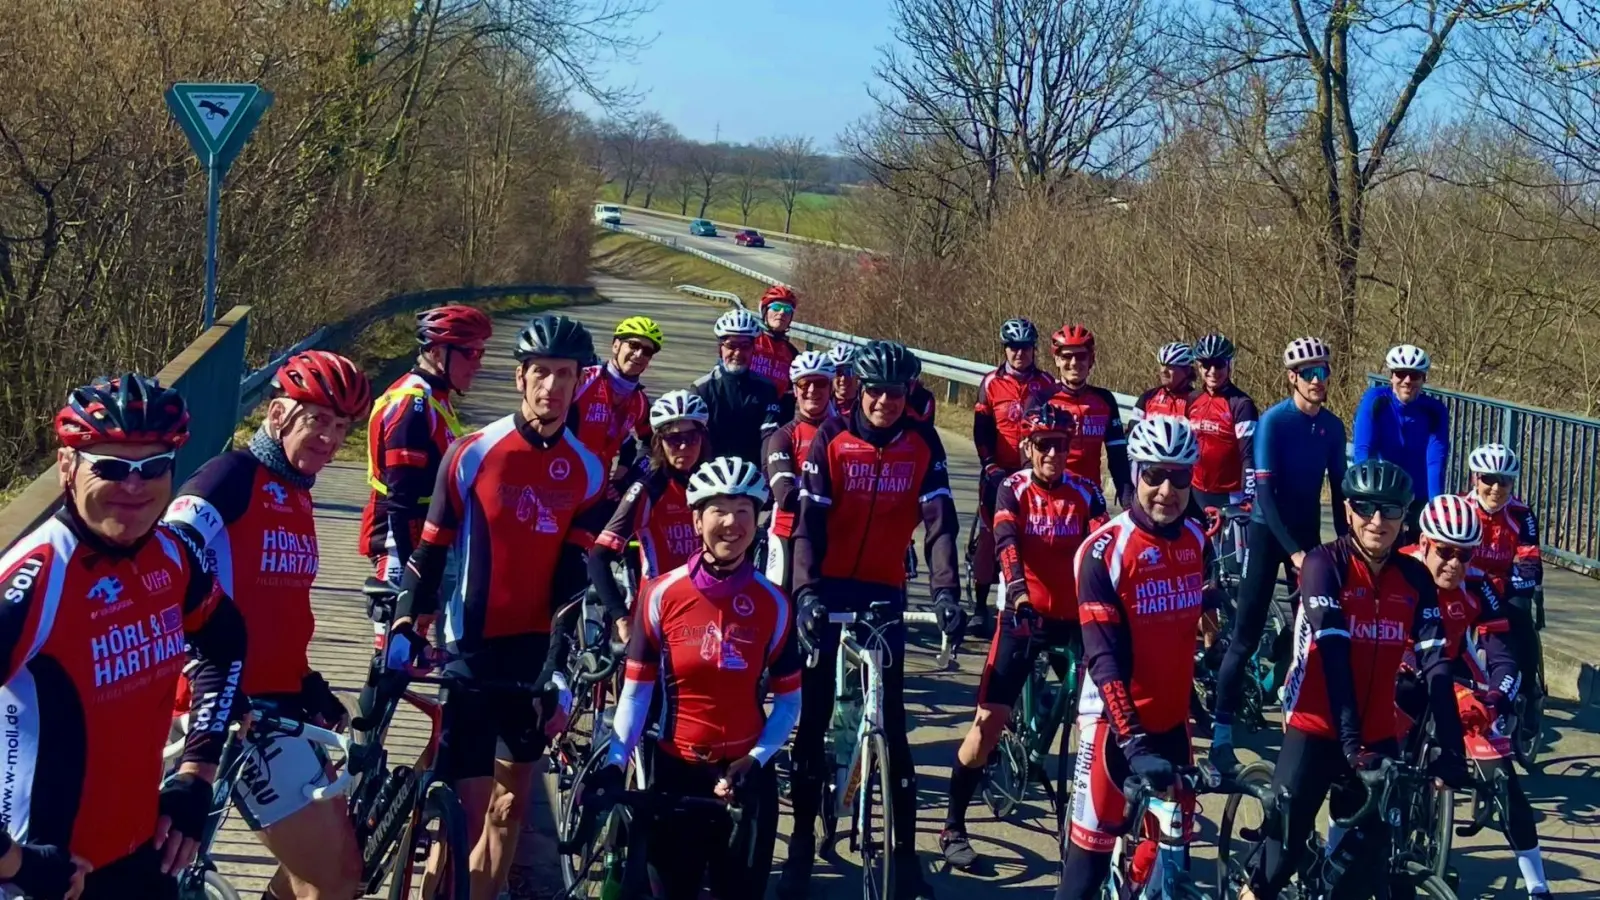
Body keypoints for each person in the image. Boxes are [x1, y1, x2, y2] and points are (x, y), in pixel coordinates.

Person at [387, 314, 609, 900]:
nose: (552, 386)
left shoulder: (589, 471)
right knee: (464, 808)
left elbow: (572, 577)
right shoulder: (472, 453)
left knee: (509, 807)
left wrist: (561, 666)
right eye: (542, 372)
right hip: (471, 646)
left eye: (566, 374)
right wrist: (408, 619)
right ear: (520, 377)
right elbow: (430, 552)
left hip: (534, 653)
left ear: (579, 382)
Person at [0, 374, 246, 899]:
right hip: (47, 878)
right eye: (110, 468)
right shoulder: (37, 576)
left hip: (140, 858)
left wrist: (197, 772)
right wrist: (14, 863)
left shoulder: (173, 555)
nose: (134, 487)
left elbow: (225, 643)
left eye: (153, 467)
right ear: (67, 466)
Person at [165, 351, 372, 899]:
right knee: (334, 878)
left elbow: (277, 608)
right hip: (227, 706)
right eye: (318, 420)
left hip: (277, 701)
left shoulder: (297, 492)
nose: (330, 439)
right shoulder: (230, 477)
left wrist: (306, 683)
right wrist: (208, 677)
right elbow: (162, 570)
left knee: (339, 866)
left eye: (342, 427)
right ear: (278, 414)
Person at [782, 340, 964, 900]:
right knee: (813, 717)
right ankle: (798, 849)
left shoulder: (922, 441)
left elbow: (940, 524)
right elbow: (807, 526)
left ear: (909, 394)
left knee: (894, 722)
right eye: (876, 391)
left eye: (896, 392)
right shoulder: (831, 437)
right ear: (859, 390)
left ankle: (904, 859)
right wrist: (805, 594)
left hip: (883, 589)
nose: (885, 402)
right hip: (827, 584)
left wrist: (946, 595)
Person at [1240, 461, 1471, 899]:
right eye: (1365, 507)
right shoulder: (1323, 565)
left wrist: (1453, 751)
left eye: (1390, 509)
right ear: (1348, 511)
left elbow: (1437, 666)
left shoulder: (1414, 578)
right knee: (1276, 864)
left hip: (1376, 733)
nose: (1377, 520)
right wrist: (1349, 744)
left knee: (1364, 870)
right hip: (1316, 728)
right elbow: (1334, 656)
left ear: (1405, 517)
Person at [580, 457, 800, 900]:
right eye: (719, 510)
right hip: (676, 772)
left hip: (747, 774)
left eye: (743, 511)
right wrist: (616, 762)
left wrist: (756, 758)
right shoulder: (661, 594)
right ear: (697, 520)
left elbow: (789, 701)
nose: (732, 523)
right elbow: (636, 695)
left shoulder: (774, 602)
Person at [940, 404, 1106, 871]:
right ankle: (953, 825)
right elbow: (1007, 543)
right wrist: (1017, 592)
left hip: (1074, 620)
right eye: (1044, 445)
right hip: (1023, 614)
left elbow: (1102, 548)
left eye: (1061, 445)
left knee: (1100, 725)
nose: (1053, 453)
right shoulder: (1012, 489)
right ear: (1029, 448)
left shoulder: (1087, 492)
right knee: (986, 726)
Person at [1057, 416, 1213, 899]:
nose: (1167, 490)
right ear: (1134, 474)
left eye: (1180, 477)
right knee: (1083, 876)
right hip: (1112, 726)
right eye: (1154, 475)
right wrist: (1133, 743)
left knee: (1169, 865)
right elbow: (1103, 660)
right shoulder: (1102, 552)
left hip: (1172, 724)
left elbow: (1199, 630)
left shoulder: (1197, 539)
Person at [1399, 494, 1552, 900]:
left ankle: (1538, 885)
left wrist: (1496, 700)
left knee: (1503, 777)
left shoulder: (1478, 583)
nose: (1454, 563)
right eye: (1445, 551)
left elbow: (1503, 657)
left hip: (1452, 666)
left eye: (1464, 554)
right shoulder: (1397, 570)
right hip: (1400, 666)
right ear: (1424, 543)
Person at [1210, 336, 1349, 771]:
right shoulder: (1273, 421)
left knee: (1316, 629)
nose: (1318, 380)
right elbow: (1266, 497)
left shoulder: (1332, 427)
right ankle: (1221, 733)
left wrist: (1350, 547)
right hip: (1268, 533)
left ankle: (1281, 690)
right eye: (1309, 373)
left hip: (1307, 533)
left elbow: (1340, 493)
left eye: (1323, 371)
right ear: (1292, 378)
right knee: (1245, 636)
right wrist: (1295, 553)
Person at [360, 304, 491, 583]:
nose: (478, 364)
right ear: (437, 352)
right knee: (404, 613)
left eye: (481, 353)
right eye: (470, 353)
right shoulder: (412, 403)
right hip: (399, 544)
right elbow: (402, 499)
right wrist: (416, 576)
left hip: (427, 539)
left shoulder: (435, 395)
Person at [588, 390, 713, 641]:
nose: (684, 446)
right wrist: (621, 618)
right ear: (659, 442)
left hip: (706, 606)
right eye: (673, 439)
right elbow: (598, 557)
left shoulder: (714, 485)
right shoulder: (648, 489)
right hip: (658, 611)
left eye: (691, 437)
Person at [971, 318, 1058, 633]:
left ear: (1034, 349)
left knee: (1034, 537)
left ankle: (1032, 602)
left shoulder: (1047, 384)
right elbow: (981, 430)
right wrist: (989, 464)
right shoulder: (991, 382)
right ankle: (980, 607)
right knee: (990, 537)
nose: (1019, 353)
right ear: (1004, 349)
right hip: (998, 470)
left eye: (1024, 347)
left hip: (1031, 472)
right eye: (1013, 347)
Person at [1461, 443, 1545, 746]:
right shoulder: (1460, 507)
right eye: (1489, 479)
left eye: (1505, 481)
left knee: (1520, 617)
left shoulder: (1522, 514)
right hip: (1465, 582)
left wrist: (1510, 586)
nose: (1496, 488)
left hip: (1506, 584)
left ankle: (1529, 692)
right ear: (1476, 478)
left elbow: (1530, 563)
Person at [1352, 344, 1449, 539]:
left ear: (1423, 379)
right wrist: (1364, 495)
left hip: (1418, 494)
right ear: (1391, 376)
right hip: (1383, 491)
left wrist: (1435, 506)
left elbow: (1435, 461)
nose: (1407, 381)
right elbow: (1363, 449)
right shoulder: (1376, 399)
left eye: (1414, 375)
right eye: (1401, 374)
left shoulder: (1435, 410)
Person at [763, 351, 835, 592]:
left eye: (820, 383)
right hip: (788, 533)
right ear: (795, 390)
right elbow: (785, 496)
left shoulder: (845, 433)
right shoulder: (783, 436)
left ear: (831, 387)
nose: (812, 390)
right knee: (779, 602)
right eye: (804, 384)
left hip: (834, 534)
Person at [1046, 324, 1133, 509]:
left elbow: (1117, 456)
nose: (1074, 362)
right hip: (1052, 499)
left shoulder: (1105, 400)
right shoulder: (1043, 399)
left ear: (1091, 359)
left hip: (1090, 497)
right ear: (1057, 360)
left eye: (1081, 356)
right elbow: (1030, 457)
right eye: (1067, 356)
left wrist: (1127, 501)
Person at [570, 315, 662, 484]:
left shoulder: (640, 402)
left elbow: (652, 445)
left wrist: (625, 480)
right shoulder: (584, 380)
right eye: (633, 345)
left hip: (597, 487)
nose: (639, 354)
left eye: (647, 351)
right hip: (560, 476)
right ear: (616, 345)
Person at [692, 308, 783, 466]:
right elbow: (696, 439)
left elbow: (769, 436)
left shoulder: (767, 389)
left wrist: (767, 473)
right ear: (720, 348)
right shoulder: (702, 389)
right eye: (731, 345)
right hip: (712, 471)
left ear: (753, 349)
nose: (738, 353)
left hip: (752, 472)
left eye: (745, 346)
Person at [1186, 333, 1259, 511]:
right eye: (1206, 364)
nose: (1212, 371)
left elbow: (1249, 455)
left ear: (1229, 365)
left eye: (1218, 364)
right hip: (1195, 491)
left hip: (1229, 496)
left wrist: (1248, 496)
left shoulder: (1241, 404)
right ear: (1199, 366)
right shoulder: (1193, 399)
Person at [750, 286, 801, 396]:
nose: (782, 312)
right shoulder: (750, 341)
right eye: (776, 307)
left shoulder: (792, 353)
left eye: (787, 310)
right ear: (765, 311)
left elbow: (790, 394)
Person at [1131, 342, 1195, 420]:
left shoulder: (1196, 402)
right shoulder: (1148, 397)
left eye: (1170, 366)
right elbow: (1133, 425)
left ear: (1186, 371)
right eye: (1162, 365)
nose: (1163, 370)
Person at [829, 342, 860, 412]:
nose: (843, 379)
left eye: (848, 372)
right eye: (838, 372)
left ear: (858, 374)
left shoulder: (867, 405)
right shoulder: (822, 404)